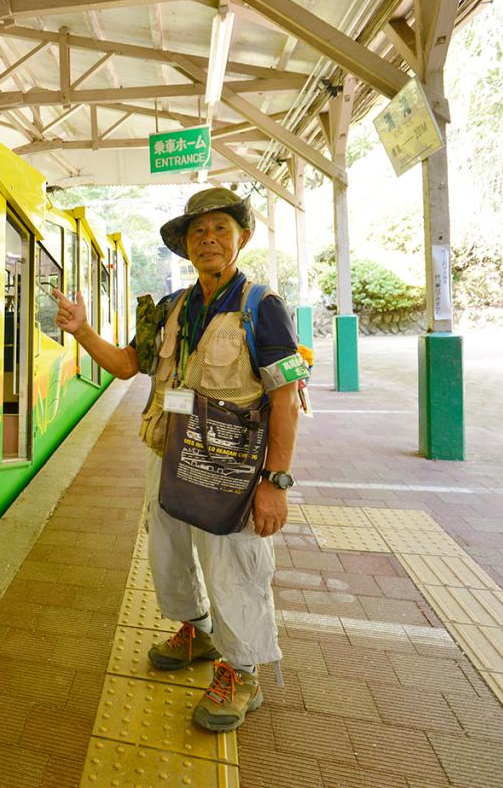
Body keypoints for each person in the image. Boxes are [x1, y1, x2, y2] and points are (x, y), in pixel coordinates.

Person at [52, 186, 303, 733]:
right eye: (197, 232)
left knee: (233, 565)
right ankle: (197, 628)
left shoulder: (262, 307)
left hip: (230, 468)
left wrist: (275, 483)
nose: (208, 240)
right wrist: (82, 331)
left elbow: (285, 399)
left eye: (219, 229)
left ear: (242, 238)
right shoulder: (173, 306)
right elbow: (125, 366)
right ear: (186, 246)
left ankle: (241, 672)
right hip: (170, 452)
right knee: (168, 549)